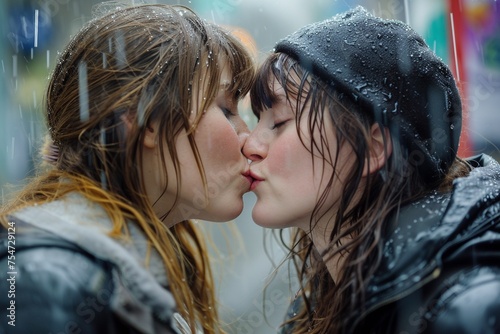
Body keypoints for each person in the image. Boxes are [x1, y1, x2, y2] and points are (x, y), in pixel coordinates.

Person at [0, 3, 255, 334]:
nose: (248, 138)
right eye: (225, 108)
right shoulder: (47, 283)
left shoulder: (93, 271)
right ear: (146, 121)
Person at [243, 6, 500, 334]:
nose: (250, 144)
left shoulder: (466, 309)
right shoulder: (313, 311)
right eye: (257, 121)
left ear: (375, 147)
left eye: (278, 122)